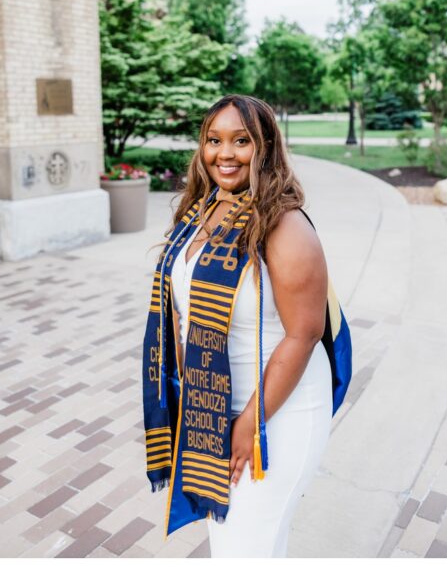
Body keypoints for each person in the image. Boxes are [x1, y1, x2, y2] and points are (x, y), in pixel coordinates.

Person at [142, 94, 348, 557]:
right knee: (244, 545)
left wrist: (250, 422)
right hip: (213, 402)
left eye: (241, 141)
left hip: (279, 408)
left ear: (265, 145)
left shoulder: (285, 226)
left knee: (243, 547)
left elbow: (304, 334)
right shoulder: (202, 209)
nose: (225, 154)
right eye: (214, 140)